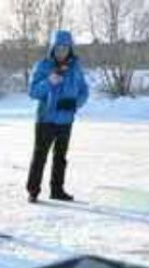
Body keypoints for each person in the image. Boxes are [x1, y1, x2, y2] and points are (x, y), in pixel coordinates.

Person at [26, 29, 89, 202]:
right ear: (52, 48)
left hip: (66, 120)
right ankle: (33, 191)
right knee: (40, 156)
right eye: (58, 48)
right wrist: (49, 81)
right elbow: (32, 91)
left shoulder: (75, 68)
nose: (62, 51)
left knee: (60, 157)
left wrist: (76, 103)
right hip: (45, 120)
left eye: (65, 48)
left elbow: (84, 90)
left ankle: (57, 190)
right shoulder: (43, 66)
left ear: (70, 49)